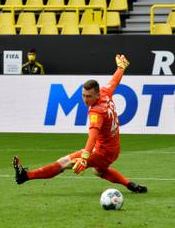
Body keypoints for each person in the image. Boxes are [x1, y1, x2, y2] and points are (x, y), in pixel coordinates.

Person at [13, 54, 148, 194]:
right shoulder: (105, 92)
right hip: (113, 148)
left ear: (96, 95)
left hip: (102, 151)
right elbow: (115, 80)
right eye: (83, 95)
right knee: (99, 171)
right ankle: (131, 185)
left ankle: (26, 176)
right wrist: (121, 67)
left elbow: (92, 137)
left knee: (64, 162)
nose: (85, 99)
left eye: (88, 96)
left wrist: (84, 158)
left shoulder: (96, 112)